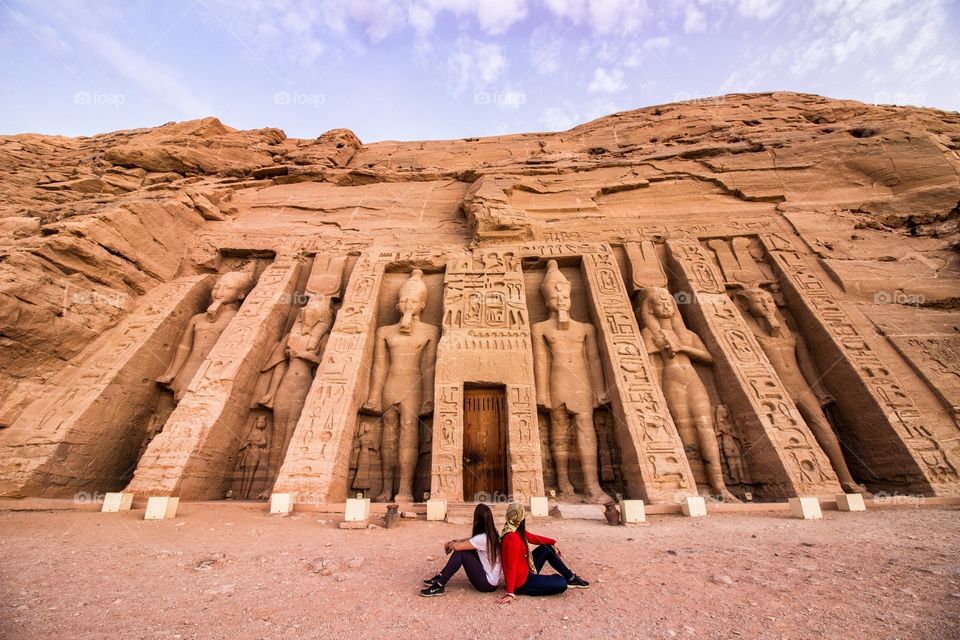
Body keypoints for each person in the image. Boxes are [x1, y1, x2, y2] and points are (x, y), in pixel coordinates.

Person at [497, 502, 589, 604]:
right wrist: (510, 592)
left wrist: (552, 541)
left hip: (525, 569)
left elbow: (531, 537)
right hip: (522, 582)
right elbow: (511, 566)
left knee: (546, 548)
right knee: (562, 584)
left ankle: (570, 578)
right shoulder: (512, 539)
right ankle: (559, 579)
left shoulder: (514, 529)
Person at [420, 504, 502, 597]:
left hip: (486, 584)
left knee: (461, 553)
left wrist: (450, 544)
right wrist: (456, 541)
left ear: (477, 519)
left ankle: (439, 585)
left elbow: (458, 547)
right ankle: (440, 577)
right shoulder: (493, 532)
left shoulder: (483, 538)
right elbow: (472, 540)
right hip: (493, 581)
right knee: (464, 549)